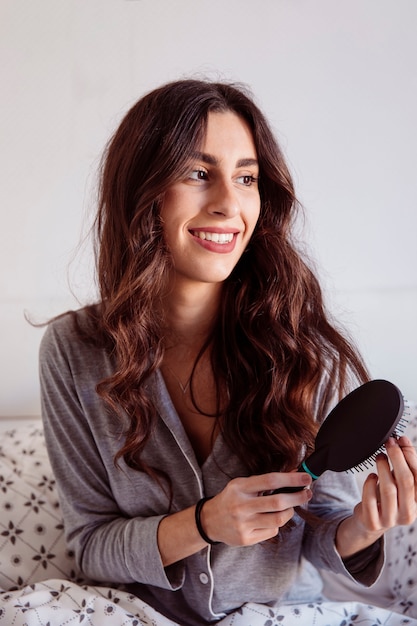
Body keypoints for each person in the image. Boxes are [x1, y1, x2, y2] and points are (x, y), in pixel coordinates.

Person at [39, 79, 417, 626]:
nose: (228, 203)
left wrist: (364, 528)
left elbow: (322, 529)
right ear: (141, 191)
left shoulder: (306, 350)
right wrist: (203, 523)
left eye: (246, 178)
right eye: (198, 174)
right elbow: (92, 545)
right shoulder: (73, 351)